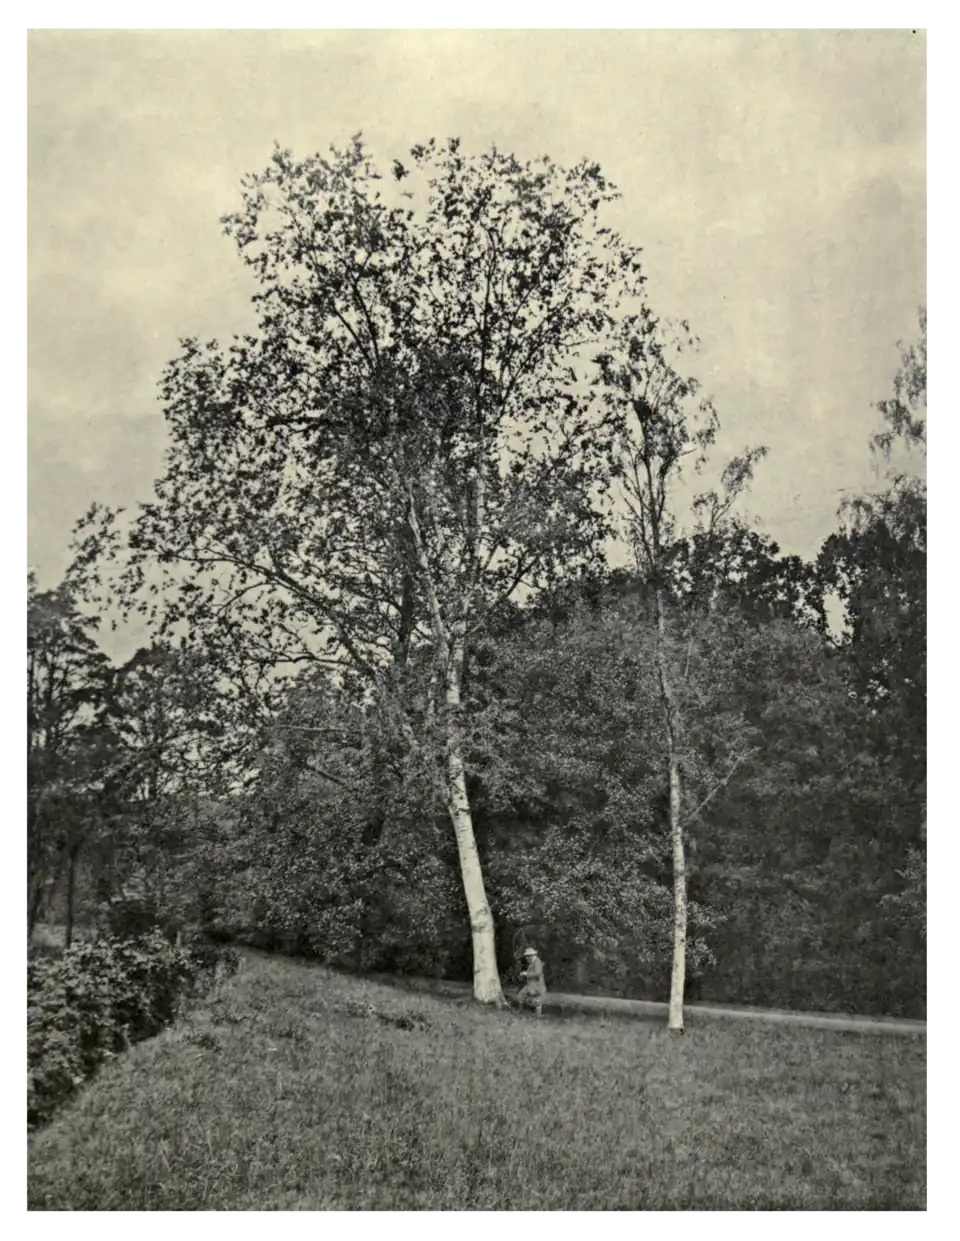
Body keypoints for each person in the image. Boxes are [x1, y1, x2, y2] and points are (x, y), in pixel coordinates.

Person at [516, 946, 546, 1017]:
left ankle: (537, 1015)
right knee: (521, 996)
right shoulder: (533, 962)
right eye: (526, 957)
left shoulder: (537, 962)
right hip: (531, 985)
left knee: (536, 1001)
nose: (526, 958)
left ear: (531, 956)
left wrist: (526, 974)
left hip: (537, 985)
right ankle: (521, 1011)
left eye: (527, 956)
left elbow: (538, 973)